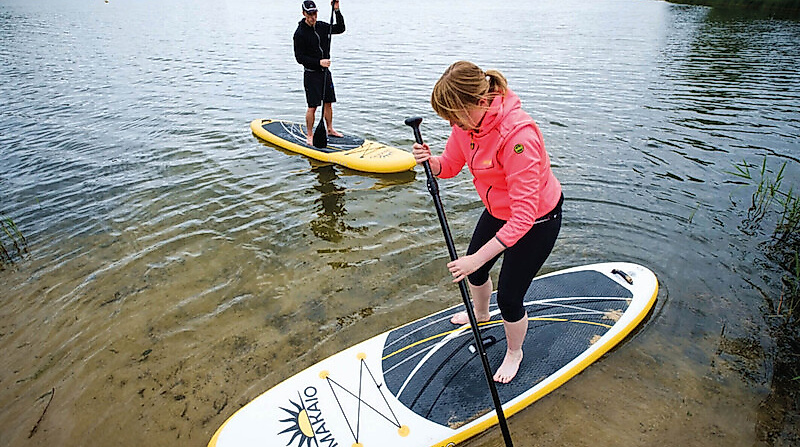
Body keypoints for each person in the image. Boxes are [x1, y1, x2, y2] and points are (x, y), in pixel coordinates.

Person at [412, 61, 563, 384]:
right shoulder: (466, 124)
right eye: (448, 118)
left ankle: (514, 351)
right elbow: (451, 165)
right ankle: (480, 314)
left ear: (481, 101)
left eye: (455, 115)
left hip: (537, 218)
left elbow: (523, 216)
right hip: (499, 209)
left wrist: (477, 256)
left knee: (509, 297)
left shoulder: (518, 137)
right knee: (477, 271)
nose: (452, 123)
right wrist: (432, 162)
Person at [293, 0, 345, 146]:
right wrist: (318, 62)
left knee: (328, 103)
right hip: (311, 74)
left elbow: (340, 28)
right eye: (309, 14)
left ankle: (329, 129)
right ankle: (309, 135)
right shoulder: (300, 33)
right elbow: (299, 58)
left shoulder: (322, 26)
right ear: (304, 14)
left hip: (325, 73)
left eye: (314, 13)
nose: (312, 17)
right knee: (313, 106)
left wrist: (336, 10)